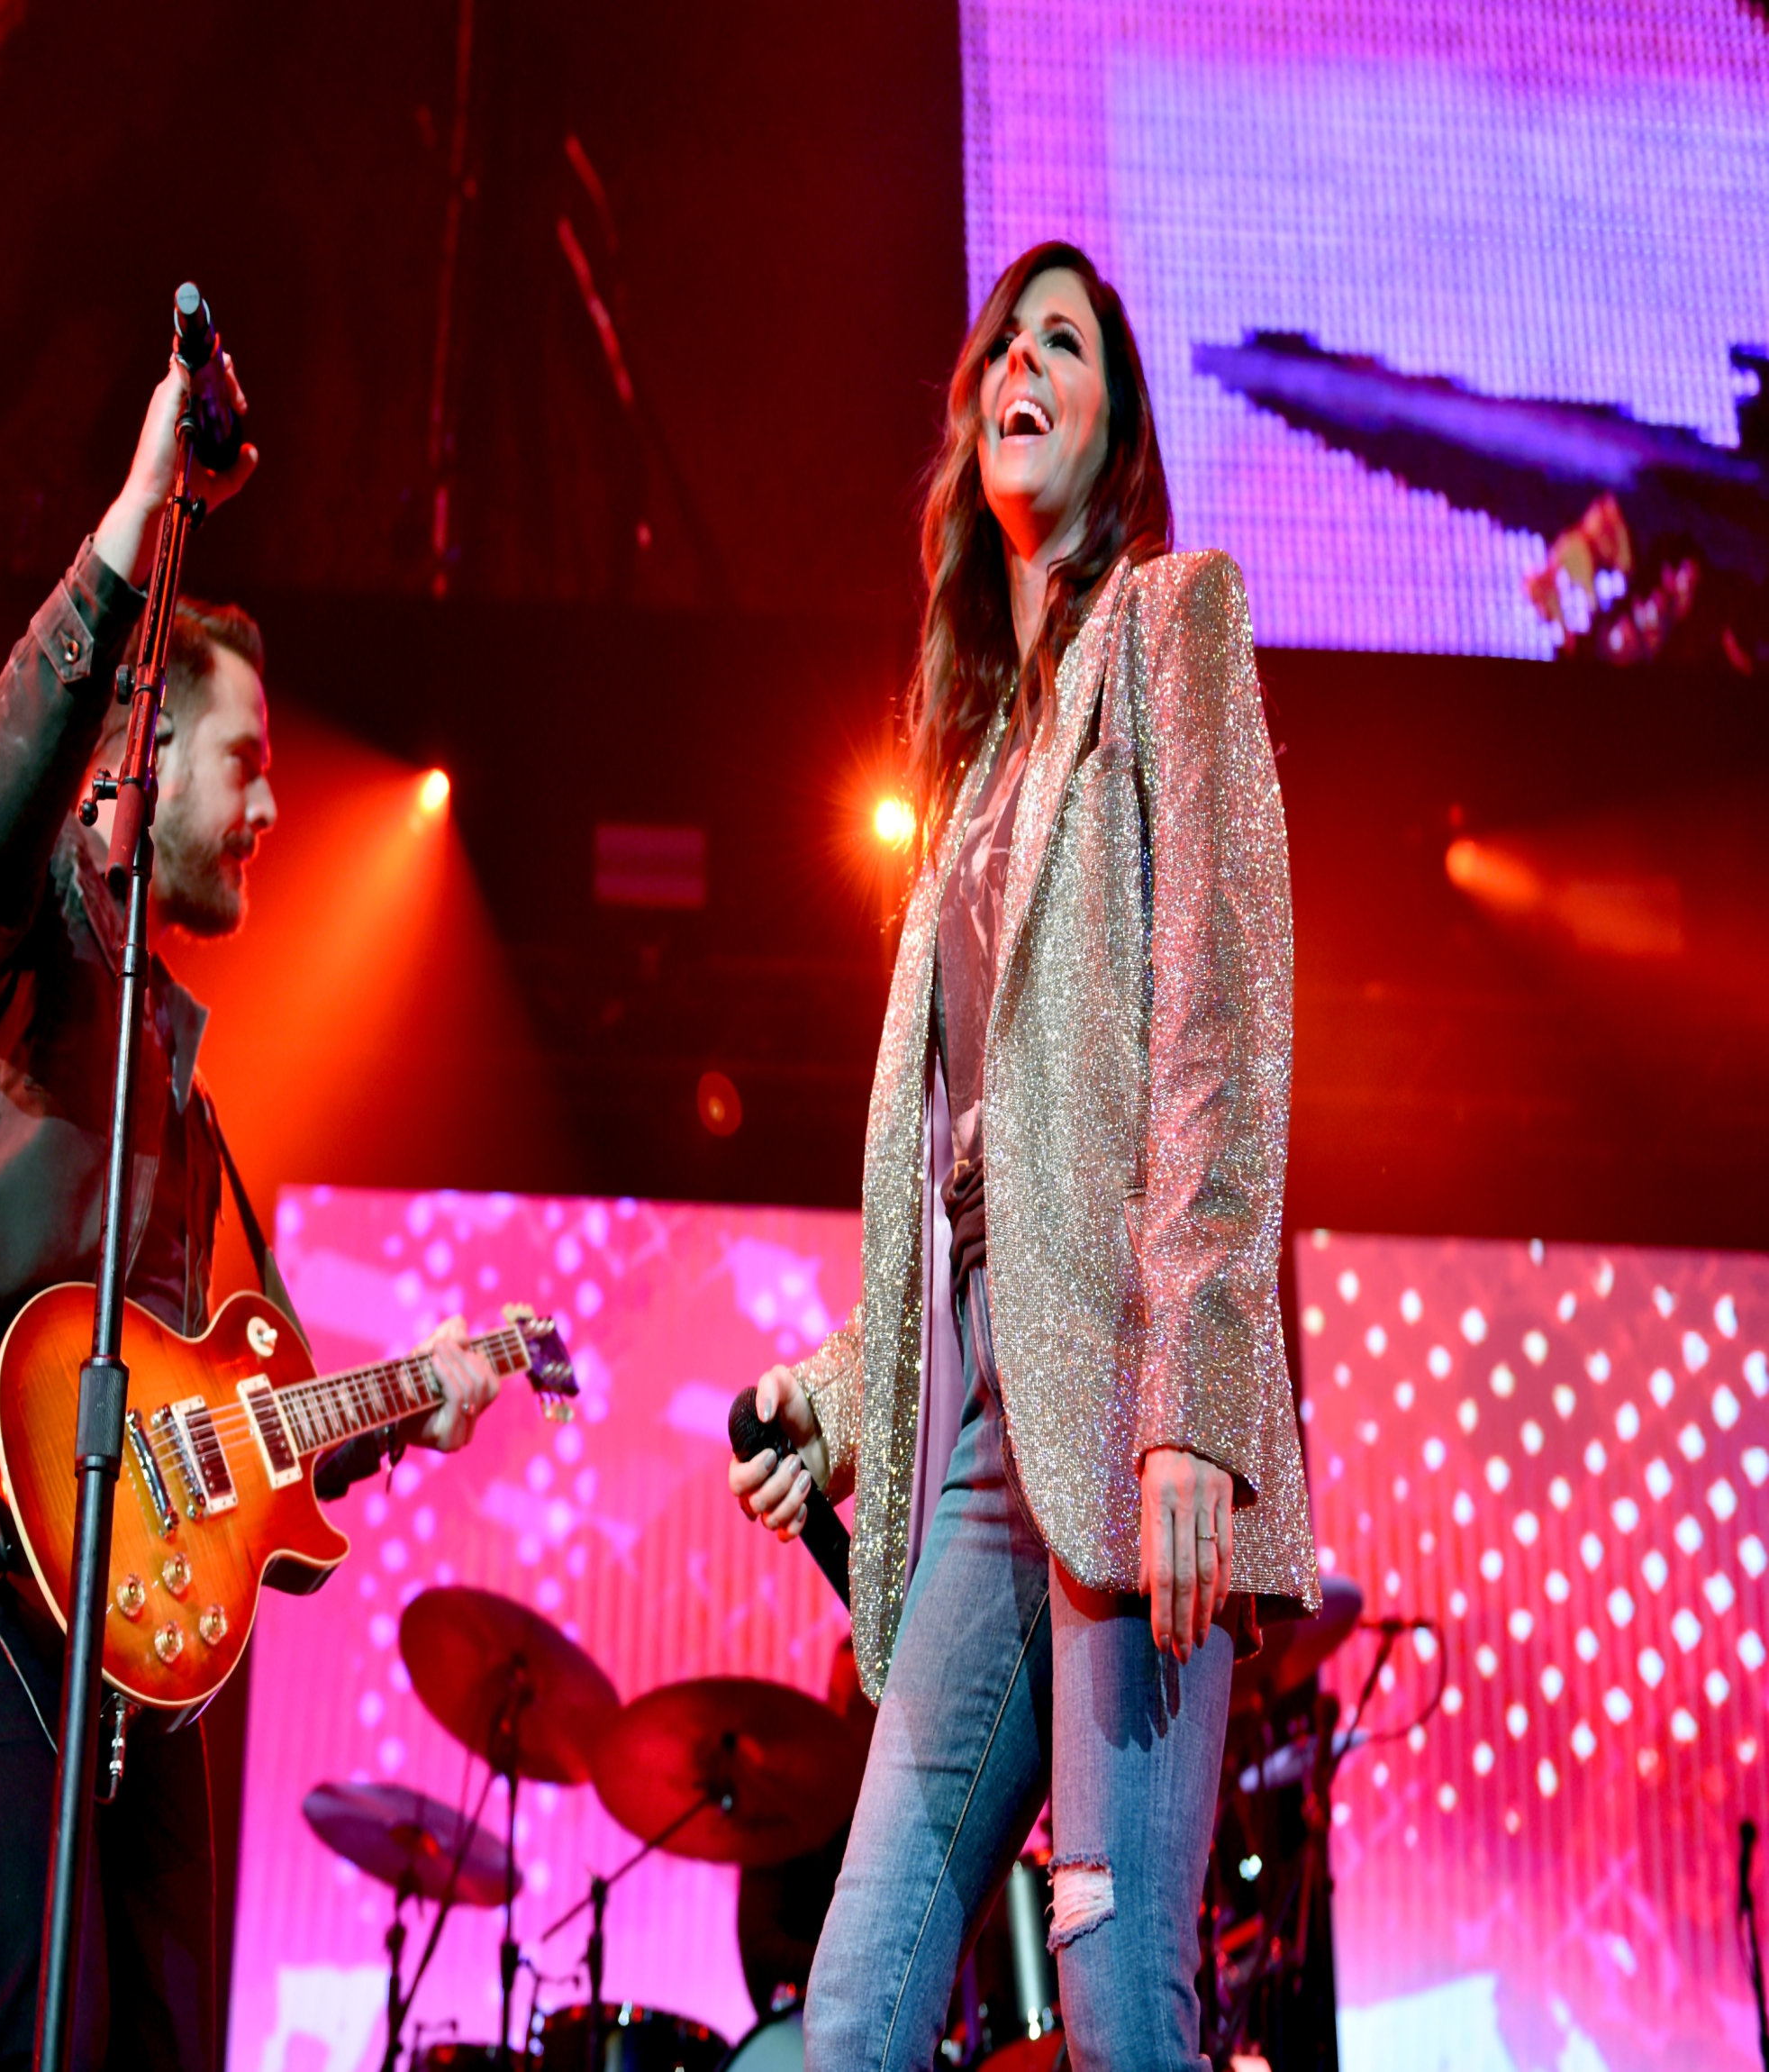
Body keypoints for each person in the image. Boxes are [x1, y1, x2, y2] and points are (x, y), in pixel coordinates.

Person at [0, 349, 503, 2072]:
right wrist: (145, 520)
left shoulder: (184, 1104)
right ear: (142, 754)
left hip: (141, 1652)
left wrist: (397, 1409)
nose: (279, 807)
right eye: (252, 763)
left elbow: (215, 1437)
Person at [727, 241, 1320, 2070]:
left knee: (1128, 2000)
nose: (1016, 361)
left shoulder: (1170, 625)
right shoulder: (974, 770)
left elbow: (1214, 1011)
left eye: (1061, 341)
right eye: (1000, 339)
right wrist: (838, 1396)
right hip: (980, 1424)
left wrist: (1195, 1409)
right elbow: (973, 1179)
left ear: (1115, 422)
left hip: (1130, 1392)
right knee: (854, 2008)